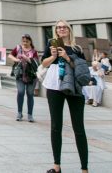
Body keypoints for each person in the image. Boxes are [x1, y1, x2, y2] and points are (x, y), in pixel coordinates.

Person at [41, 20, 89, 173]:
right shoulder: (51, 46)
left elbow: (82, 70)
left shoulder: (77, 48)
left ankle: (84, 168)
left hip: (73, 87)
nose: (61, 29)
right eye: (58, 27)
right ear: (56, 31)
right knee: (56, 126)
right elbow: (44, 64)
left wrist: (68, 57)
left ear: (69, 30)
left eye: (64, 27)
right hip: (54, 86)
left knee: (79, 128)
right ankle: (57, 165)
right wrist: (54, 56)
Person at [8, 34, 39, 122]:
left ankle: (30, 115)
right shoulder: (18, 48)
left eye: (27, 41)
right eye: (23, 41)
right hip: (20, 75)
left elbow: (37, 63)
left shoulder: (34, 51)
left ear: (30, 41)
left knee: (30, 94)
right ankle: (19, 113)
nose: (25, 43)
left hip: (31, 76)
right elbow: (10, 55)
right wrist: (16, 59)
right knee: (21, 92)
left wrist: (27, 59)